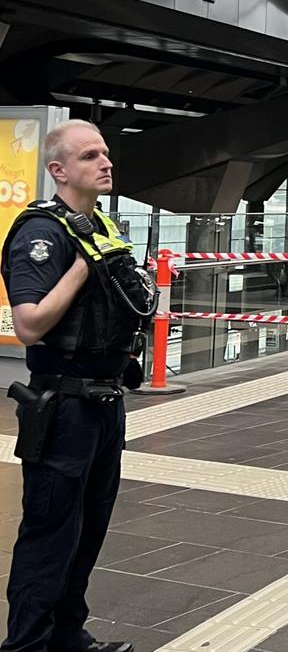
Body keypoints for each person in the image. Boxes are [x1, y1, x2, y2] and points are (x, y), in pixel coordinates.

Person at [0, 120, 155, 652]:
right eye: (90, 156)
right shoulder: (40, 234)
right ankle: (26, 645)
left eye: (106, 153)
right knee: (51, 530)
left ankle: (67, 636)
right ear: (59, 170)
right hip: (63, 405)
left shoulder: (99, 225)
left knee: (89, 528)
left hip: (106, 399)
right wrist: (79, 272)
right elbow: (28, 325)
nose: (105, 162)